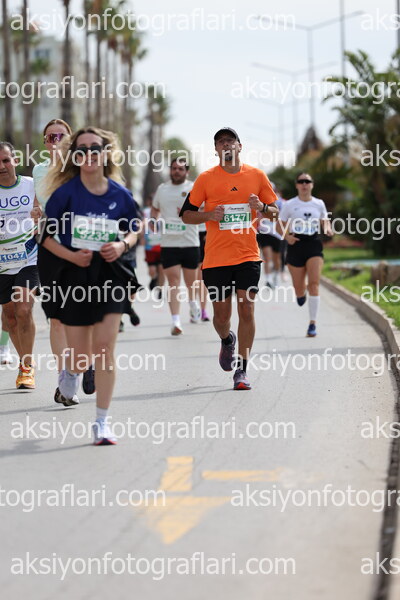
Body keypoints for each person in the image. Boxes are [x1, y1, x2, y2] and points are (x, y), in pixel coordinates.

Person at [40, 126, 139, 445]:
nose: (89, 155)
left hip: (109, 274)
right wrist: (71, 255)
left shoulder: (119, 194)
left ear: (105, 153)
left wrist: (121, 245)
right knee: (81, 356)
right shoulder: (65, 194)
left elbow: (135, 229)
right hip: (74, 275)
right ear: (74, 156)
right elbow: (44, 236)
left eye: (94, 148)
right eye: (81, 150)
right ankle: (71, 372)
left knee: (105, 347)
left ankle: (101, 423)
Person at [181, 127, 278, 390]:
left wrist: (262, 207)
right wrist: (209, 215)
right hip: (216, 258)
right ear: (215, 149)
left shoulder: (257, 176)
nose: (226, 145)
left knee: (246, 308)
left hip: (248, 255)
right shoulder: (205, 179)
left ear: (239, 146)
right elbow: (186, 215)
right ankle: (226, 340)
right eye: (220, 142)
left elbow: (275, 212)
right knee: (222, 317)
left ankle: (242, 370)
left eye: (230, 141)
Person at [32, 118, 90, 405]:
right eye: (50, 137)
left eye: (60, 136)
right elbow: (39, 205)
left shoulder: (81, 167)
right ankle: (65, 380)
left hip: (81, 246)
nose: (55, 141)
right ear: (45, 143)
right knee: (56, 319)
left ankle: (84, 361)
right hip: (50, 248)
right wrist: (36, 214)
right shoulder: (39, 170)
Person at [0, 141, 39, 388]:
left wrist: (40, 215)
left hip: (28, 258)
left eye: (5, 160)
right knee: (10, 317)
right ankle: (22, 362)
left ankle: (27, 366)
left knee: (24, 309)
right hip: (1, 263)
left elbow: (47, 212)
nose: (2, 166)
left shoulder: (31, 185)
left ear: (15, 160)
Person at [277, 172, 333, 337]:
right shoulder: (290, 204)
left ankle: (312, 324)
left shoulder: (319, 203)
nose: (304, 184)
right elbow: (279, 226)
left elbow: (325, 220)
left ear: (312, 184)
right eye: (301, 181)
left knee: (314, 284)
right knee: (299, 289)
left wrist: (327, 229)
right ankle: (300, 294)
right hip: (296, 244)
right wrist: (287, 237)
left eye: (307, 181)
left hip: (313, 244)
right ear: (297, 185)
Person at [151, 158, 200, 335]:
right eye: (174, 168)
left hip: (190, 242)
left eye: (180, 169)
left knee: (191, 283)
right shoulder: (162, 189)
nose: (176, 171)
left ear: (187, 172)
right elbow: (155, 208)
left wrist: (189, 213)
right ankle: (176, 321)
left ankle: (193, 303)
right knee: (173, 282)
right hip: (169, 243)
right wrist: (153, 220)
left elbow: (204, 209)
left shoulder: (194, 188)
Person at [257, 181, 283, 289]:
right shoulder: (259, 202)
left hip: (277, 234)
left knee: (276, 259)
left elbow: (283, 217)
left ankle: (276, 276)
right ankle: (268, 279)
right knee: (267, 256)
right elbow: (257, 217)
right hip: (264, 232)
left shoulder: (280, 202)